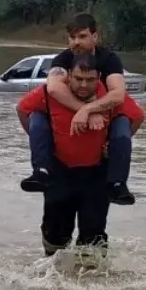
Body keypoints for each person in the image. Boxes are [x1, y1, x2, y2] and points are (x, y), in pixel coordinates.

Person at [16, 51, 146, 257]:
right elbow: (22, 110)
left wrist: (112, 144)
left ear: (99, 78)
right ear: (68, 76)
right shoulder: (50, 95)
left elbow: (138, 116)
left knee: (92, 238)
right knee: (55, 235)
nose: (84, 85)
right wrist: (42, 142)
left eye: (90, 80)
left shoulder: (110, 99)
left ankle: (91, 282)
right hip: (60, 171)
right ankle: (52, 281)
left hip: (95, 174)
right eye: (78, 79)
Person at [21, 12, 136, 205]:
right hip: (65, 135)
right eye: (72, 37)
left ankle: (118, 183)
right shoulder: (62, 59)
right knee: (37, 117)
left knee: (123, 123)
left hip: (103, 128)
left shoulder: (109, 59)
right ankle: (41, 171)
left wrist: (88, 112)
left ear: (95, 36)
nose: (76, 42)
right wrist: (84, 110)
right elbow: (54, 88)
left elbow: (118, 95)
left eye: (82, 36)